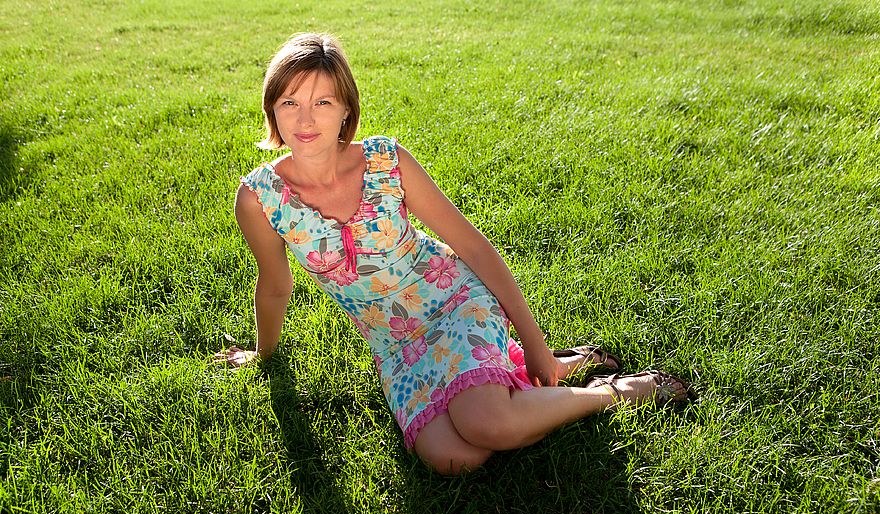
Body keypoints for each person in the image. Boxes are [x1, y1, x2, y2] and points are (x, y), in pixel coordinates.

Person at [215, 32, 694, 475]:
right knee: (456, 458)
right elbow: (275, 285)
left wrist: (532, 338)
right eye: (290, 102)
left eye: (322, 101)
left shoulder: (386, 161)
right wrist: (263, 354)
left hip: (453, 299)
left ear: (345, 109)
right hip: (396, 344)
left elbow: (471, 245)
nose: (305, 119)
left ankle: (615, 392)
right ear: (272, 110)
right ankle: (545, 370)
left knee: (490, 424)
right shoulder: (260, 199)